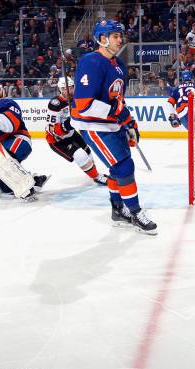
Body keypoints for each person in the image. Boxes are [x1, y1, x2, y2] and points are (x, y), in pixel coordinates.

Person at [71, 19, 157, 235]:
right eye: (115, 36)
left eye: (120, 35)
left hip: (110, 124)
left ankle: (118, 210)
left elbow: (118, 100)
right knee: (124, 167)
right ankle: (135, 212)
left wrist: (129, 122)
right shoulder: (91, 61)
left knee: (115, 168)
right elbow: (84, 105)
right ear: (102, 39)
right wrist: (118, 115)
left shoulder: (118, 65)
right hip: (92, 125)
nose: (120, 39)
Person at [0, 80, 49, 200]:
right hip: (3, 147)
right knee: (1, 184)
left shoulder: (8, 103)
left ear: (1, 92)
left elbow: (9, 126)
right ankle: (33, 180)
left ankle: (26, 187)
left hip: (19, 141)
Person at [46, 77, 108, 186]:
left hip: (71, 133)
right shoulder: (55, 103)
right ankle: (97, 177)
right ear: (60, 89)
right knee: (80, 155)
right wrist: (67, 125)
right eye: (65, 89)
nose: (68, 91)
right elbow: (52, 129)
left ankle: (95, 174)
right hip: (57, 140)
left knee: (88, 152)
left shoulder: (77, 99)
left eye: (70, 88)